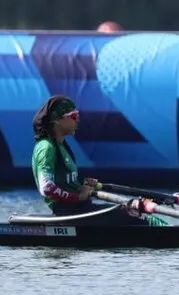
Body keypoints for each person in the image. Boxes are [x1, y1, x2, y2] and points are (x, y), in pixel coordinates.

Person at [31, 95, 166, 226]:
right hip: (71, 214)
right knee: (139, 216)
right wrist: (78, 197)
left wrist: (83, 186)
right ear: (57, 120)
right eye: (74, 116)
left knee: (136, 213)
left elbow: (65, 183)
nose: (78, 120)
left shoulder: (61, 145)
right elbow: (47, 188)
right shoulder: (46, 147)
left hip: (80, 209)